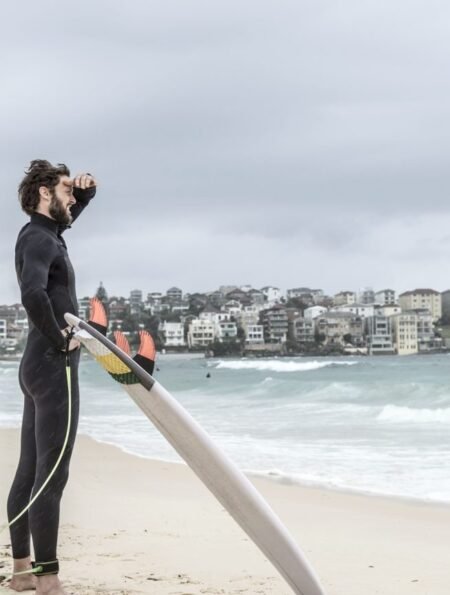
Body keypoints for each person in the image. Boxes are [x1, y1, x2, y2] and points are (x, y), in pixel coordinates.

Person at [7, 160, 97, 595]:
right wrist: (62, 339)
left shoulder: (40, 234)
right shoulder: (41, 240)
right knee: (52, 474)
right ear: (45, 193)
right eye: (65, 190)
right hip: (53, 364)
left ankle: (22, 571)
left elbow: (64, 221)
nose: (71, 198)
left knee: (30, 470)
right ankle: (48, 579)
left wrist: (86, 196)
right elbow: (32, 293)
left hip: (34, 364)